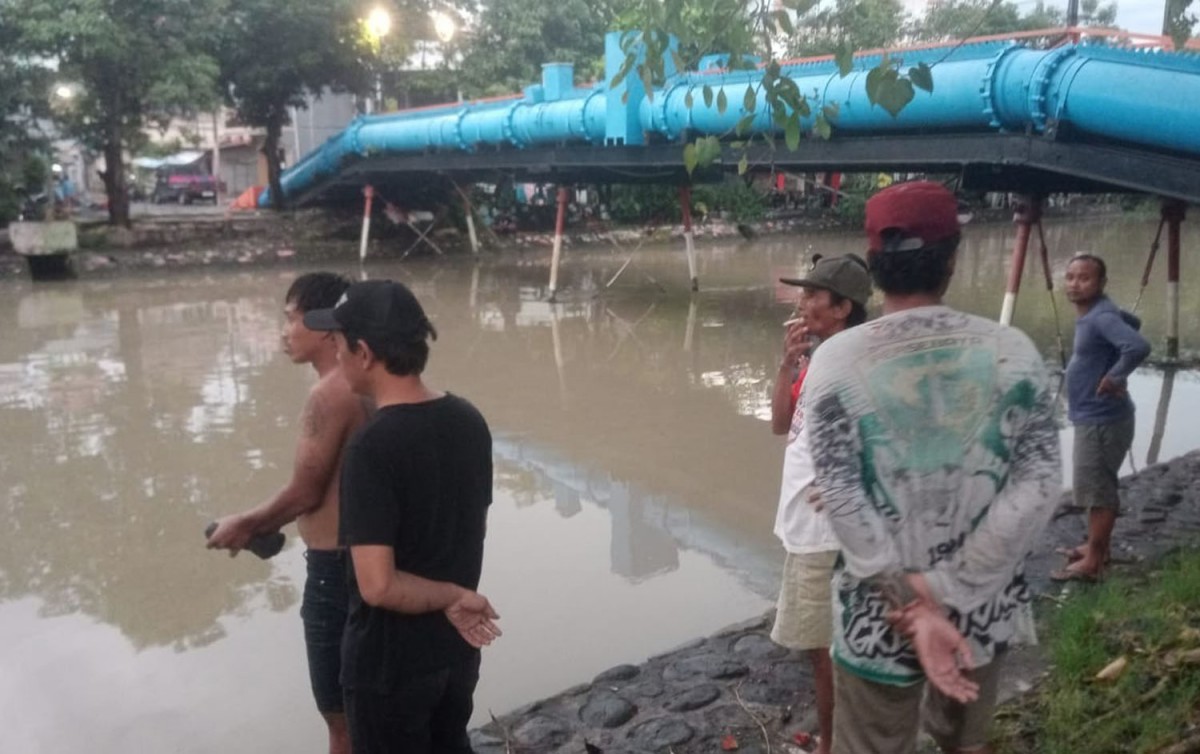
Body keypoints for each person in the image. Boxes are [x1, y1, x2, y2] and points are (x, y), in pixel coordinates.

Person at [802, 181, 1062, 754]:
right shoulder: (1012, 351)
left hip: (879, 615)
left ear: (872, 267)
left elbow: (841, 496)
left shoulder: (836, 361)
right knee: (965, 744)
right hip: (980, 609)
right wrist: (946, 589)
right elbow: (1040, 484)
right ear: (952, 259)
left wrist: (910, 601)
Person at [303, 279, 500, 754]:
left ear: (364, 353)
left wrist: (454, 595)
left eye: (339, 344)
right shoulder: (469, 420)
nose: (336, 357)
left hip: (389, 668)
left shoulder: (372, 447)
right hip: (455, 654)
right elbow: (465, 529)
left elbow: (378, 586)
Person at [206, 272, 366, 754]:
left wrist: (247, 524)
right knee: (370, 707)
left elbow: (306, 492)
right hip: (373, 557)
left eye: (290, 319)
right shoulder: (372, 380)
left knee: (341, 720)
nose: (284, 332)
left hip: (336, 571)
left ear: (323, 327)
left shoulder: (329, 393)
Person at [769, 254, 871, 754]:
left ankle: (834, 746)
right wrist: (787, 363)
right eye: (803, 294)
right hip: (803, 524)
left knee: (828, 651)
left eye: (813, 296)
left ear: (843, 307)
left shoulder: (854, 361)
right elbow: (780, 424)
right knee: (821, 649)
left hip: (825, 532)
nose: (803, 302)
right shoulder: (817, 357)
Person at [1053, 253, 1151, 582]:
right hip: (1095, 416)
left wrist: (1115, 377)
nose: (1075, 284)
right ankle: (1098, 549)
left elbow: (1136, 345)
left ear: (1101, 283)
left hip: (1101, 420)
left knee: (1098, 492)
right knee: (1096, 487)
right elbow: (1132, 324)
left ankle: (1093, 562)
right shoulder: (1101, 312)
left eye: (1084, 278)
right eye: (1070, 277)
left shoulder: (1099, 317)